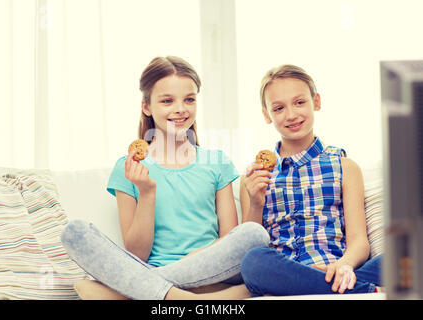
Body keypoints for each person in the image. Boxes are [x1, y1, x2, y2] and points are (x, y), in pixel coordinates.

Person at [60, 56, 270, 300]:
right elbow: (136, 253)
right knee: (74, 232)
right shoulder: (129, 167)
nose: (180, 109)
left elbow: (229, 241)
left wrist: (192, 261)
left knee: (254, 234)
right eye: (167, 101)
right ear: (146, 106)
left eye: (189, 99)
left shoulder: (217, 162)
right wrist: (147, 192)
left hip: (212, 269)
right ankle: (184, 297)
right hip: (155, 266)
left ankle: (135, 289)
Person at [239, 64, 383, 296]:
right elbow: (248, 246)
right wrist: (256, 203)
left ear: (316, 101)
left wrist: (343, 265)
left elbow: (359, 240)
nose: (292, 114)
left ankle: (333, 285)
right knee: (253, 261)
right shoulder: (254, 176)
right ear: (267, 115)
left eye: (299, 102)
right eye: (278, 108)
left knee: (403, 254)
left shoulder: (345, 166)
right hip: (284, 270)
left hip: (338, 268)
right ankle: (365, 291)